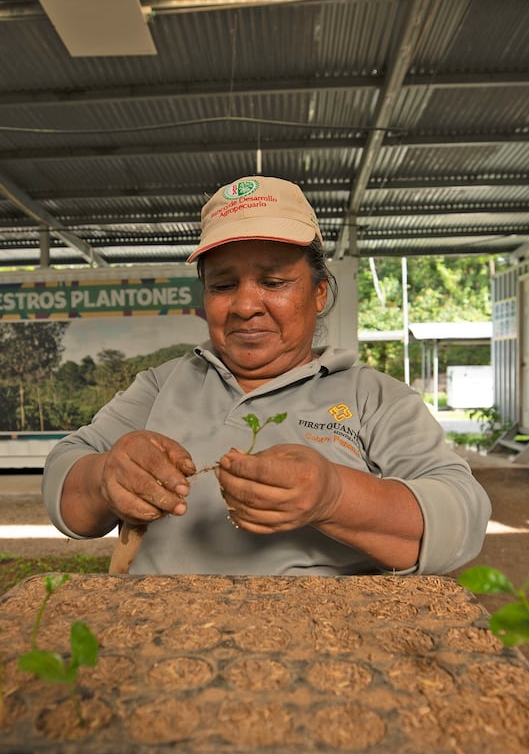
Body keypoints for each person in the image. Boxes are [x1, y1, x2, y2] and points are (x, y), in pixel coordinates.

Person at [42, 175, 491, 575]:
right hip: (165, 636)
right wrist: (105, 476)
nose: (244, 305)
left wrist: (334, 496)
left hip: (320, 644)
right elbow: (66, 489)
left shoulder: (374, 397)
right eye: (222, 285)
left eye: (274, 283)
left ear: (318, 293)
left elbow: (461, 521)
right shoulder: (163, 385)